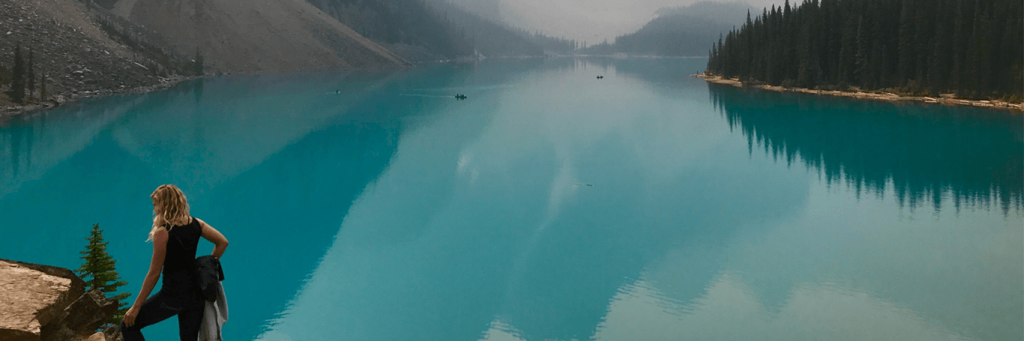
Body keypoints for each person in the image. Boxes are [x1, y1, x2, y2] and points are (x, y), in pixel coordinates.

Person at [121, 184, 229, 341]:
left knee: (128, 325)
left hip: (172, 297)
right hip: (195, 296)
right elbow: (222, 242)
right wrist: (208, 263)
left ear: (164, 205)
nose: (154, 209)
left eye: (156, 204)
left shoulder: (162, 232)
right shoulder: (197, 223)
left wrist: (136, 307)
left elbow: (154, 273)